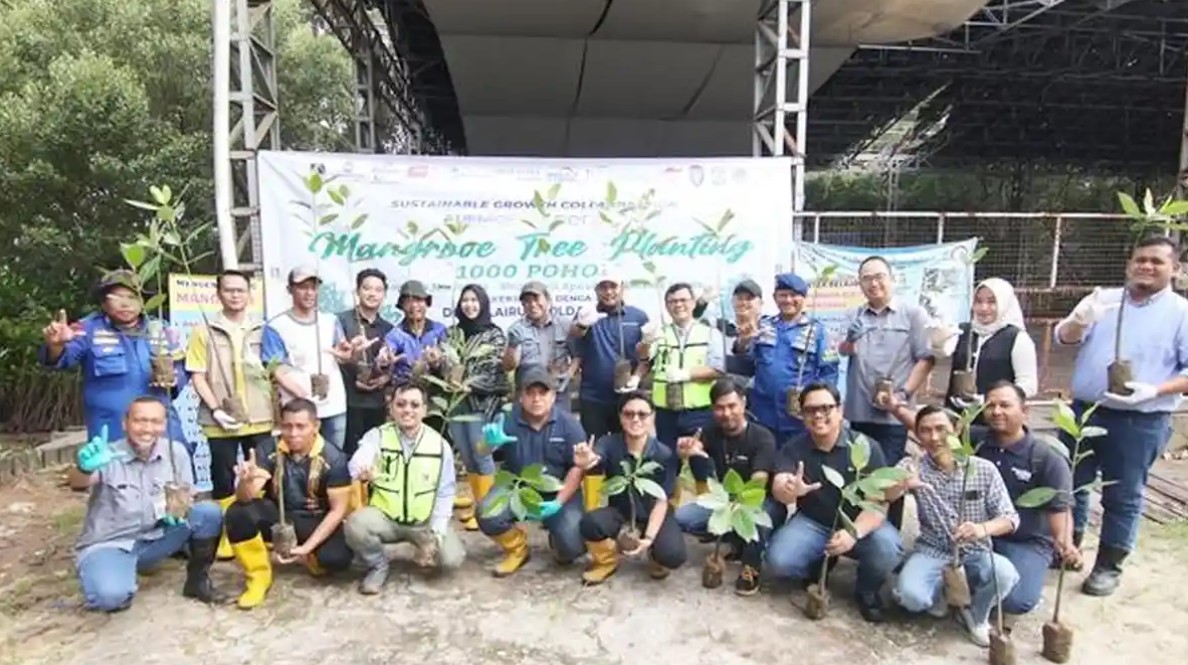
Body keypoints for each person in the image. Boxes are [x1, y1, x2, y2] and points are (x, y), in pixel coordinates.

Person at [1054, 235, 1188, 596]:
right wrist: (1080, 322)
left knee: (1123, 494)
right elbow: (1062, 338)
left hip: (1139, 421)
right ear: (1129, 264)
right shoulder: (1105, 301)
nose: (1146, 266)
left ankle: (1109, 564)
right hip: (1084, 413)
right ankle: (1069, 547)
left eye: (1156, 262)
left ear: (1174, 269)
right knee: (1070, 485)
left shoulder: (1181, 313)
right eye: (1140, 259)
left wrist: (1156, 390)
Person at [68, 396, 225, 611]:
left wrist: (179, 509)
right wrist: (84, 468)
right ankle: (113, 574)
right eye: (140, 421)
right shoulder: (108, 454)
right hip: (112, 543)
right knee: (111, 598)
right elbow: (78, 483)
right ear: (125, 423)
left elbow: (184, 496)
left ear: (164, 425)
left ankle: (197, 581)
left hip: (156, 537)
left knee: (208, 512)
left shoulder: (176, 451)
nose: (147, 429)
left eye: (155, 421)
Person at [765, 383, 902, 623]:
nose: (818, 415)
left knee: (888, 547)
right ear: (802, 415)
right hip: (814, 522)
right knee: (779, 561)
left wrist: (853, 533)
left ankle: (866, 590)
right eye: (810, 410)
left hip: (859, 524)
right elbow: (780, 487)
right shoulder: (794, 448)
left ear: (840, 411)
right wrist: (789, 490)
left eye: (826, 408)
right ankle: (816, 565)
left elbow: (878, 505)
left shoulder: (866, 447)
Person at [885, 404, 1020, 647]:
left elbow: (1010, 518)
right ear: (917, 434)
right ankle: (944, 595)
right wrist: (904, 484)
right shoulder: (911, 465)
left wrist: (981, 529)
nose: (934, 437)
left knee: (1005, 573)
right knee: (910, 597)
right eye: (925, 430)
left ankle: (976, 616)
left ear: (956, 429)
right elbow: (884, 495)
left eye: (941, 429)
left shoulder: (983, 469)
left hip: (976, 550)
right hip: (932, 548)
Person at [224, 398, 355, 609]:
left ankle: (309, 556)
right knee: (237, 512)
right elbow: (245, 498)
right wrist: (245, 483)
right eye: (287, 426)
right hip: (278, 516)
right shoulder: (269, 448)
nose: (293, 433)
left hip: (314, 518)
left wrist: (307, 548)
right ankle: (258, 576)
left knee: (337, 559)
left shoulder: (335, 458)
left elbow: (338, 510)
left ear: (316, 426)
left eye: (301, 426)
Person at [40, 270, 189, 448]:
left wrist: (173, 379)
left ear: (142, 301)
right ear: (104, 302)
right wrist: (56, 346)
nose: (125, 303)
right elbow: (62, 359)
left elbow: (181, 368)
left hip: (160, 429)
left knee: (173, 472)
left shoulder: (161, 328)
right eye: (117, 297)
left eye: (132, 297)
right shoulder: (87, 329)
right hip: (110, 431)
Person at [184, 269, 275, 560]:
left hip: (259, 416)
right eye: (229, 290)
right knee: (222, 476)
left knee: (260, 473)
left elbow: (275, 371)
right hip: (219, 420)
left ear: (250, 294)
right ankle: (227, 532)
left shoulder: (263, 329)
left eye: (241, 290)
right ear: (218, 293)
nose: (235, 295)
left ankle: (256, 528)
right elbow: (197, 375)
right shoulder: (204, 330)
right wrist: (216, 409)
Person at [973, 382, 1080, 621]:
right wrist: (896, 407)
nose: (997, 411)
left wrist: (1065, 543)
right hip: (979, 534)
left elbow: (1059, 508)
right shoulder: (974, 443)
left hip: (1025, 541)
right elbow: (930, 431)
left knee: (1017, 600)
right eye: (990, 405)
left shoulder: (1047, 458)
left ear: (1025, 411)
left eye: (1005, 405)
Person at [345, 383, 466, 594]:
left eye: (414, 405)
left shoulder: (439, 445)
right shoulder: (378, 436)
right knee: (355, 525)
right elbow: (358, 461)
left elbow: (445, 492)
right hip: (386, 519)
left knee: (451, 560)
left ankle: (424, 546)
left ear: (424, 410)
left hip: (423, 522)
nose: (407, 410)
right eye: (400, 404)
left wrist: (436, 532)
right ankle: (378, 565)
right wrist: (363, 467)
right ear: (391, 408)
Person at [673, 378, 781, 595]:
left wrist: (732, 510)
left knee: (756, 523)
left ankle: (751, 567)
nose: (727, 413)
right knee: (682, 517)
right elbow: (694, 447)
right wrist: (686, 451)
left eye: (732, 406)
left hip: (758, 501)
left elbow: (758, 484)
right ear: (713, 409)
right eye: (720, 408)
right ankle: (735, 541)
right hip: (726, 499)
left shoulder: (762, 437)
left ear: (743, 403)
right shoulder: (711, 432)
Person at [477, 367, 588, 577]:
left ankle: (558, 538)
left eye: (543, 393)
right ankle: (517, 548)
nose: (536, 399)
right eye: (530, 393)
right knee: (486, 512)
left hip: (558, 489)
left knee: (573, 546)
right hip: (516, 486)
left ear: (553, 396)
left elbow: (577, 467)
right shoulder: (508, 420)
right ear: (521, 397)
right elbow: (482, 451)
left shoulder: (569, 425)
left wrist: (559, 502)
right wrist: (488, 443)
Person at [574, 391, 687, 585]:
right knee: (590, 523)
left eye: (642, 414)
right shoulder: (609, 443)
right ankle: (606, 561)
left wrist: (649, 538)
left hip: (653, 513)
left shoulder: (663, 453)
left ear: (652, 417)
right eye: (629, 414)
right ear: (620, 417)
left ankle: (655, 556)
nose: (636, 419)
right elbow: (596, 458)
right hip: (621, 512)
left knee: (673, 555)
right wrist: (586, 461)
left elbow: (662, 501)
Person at [839, 255, 935, 466]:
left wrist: (903, 394)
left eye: (879, 277)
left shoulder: (913, 315)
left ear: (892, 279)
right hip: (859, 411)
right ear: (860, 284)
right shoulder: (854, 315)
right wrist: (849, 340)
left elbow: (926, 359)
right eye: (866, 278)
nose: (873, 283)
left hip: (894, 414)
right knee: (860, 472)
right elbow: (844, 351)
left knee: (888, 476)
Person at [437, 284, 511, 531]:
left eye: (474, 300)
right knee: (467, 456)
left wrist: (471, 384)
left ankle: (490, 509)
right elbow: (444, 366)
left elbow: (495, 370)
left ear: (483, 303)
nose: (469, 304)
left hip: (480, 405)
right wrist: (441, 365)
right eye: (465, 300)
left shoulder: (494, 334)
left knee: (482, 454)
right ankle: (479, 506)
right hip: (457, 405)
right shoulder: (451, 334)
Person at [737, 273, 839, 444]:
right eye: (783, 295)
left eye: (794, 295)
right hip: (763, 414)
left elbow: (829, 373)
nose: (788, 300)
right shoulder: (762, 326)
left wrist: (821, 406)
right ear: (775, 298)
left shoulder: (819, 331)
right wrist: (744, 341)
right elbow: (744, 361)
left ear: (804, 298)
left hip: (799, 417)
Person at [261, 266, 353, 450]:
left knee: (333, 460)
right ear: (290, 290)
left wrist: (346, 354)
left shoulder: (330, 320)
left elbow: (342, 355)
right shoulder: (277, 326)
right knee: (300, 461)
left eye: (313, 287)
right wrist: (302, 395)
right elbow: (274, 367)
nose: (309, 293)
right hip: (298, 410)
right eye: (302, 287)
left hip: (334, 404)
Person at [639, 282, 726, 447]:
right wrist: (645, 342)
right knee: (666, 463)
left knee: (702, 462)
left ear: (693, 302)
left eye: (683, 300)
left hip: (700, 411)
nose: (678, 305)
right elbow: (645, 359)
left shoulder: (710, 333)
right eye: (673, 301)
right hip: (666, 412)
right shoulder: (660, 333)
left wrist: (686, 374)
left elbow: (718, 370)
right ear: (666, 306)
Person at [938, 277, 1038, 411]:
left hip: (997, 417)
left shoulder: (1017, 338)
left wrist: (989, 399)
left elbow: (1029, 386)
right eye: (978, 301)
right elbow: (939, 351)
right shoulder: (962, 331)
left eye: (992, 302)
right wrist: (938, 336)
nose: (984, 308)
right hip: (958, 417)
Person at [571, 276, 650, 438]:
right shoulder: (586, 314)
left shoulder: (638, 317)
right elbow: (575, 334)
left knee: (628, 446)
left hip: (628, 398)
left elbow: (646, 358)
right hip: (593, 398)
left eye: (613, 287)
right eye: (603, 287)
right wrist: (582, 324)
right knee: (594, 447)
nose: (608, 292)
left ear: (622, 288)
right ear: (596, 291)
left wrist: (637, 377)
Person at [336, 268, 395, 457]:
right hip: (347, 401)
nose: (372, 294)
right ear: (357, 291)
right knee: (347, 456)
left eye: (378, 290)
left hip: (376, 403)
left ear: (384, 294)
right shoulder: (341, 321)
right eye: (367, 288)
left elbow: (395, 365)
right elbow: (333, 355)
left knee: (372, 456)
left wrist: (386, 377)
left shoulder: (388, 328)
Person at [503, 280, 579, 410]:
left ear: (548, 301)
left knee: (560, 429)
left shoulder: (564, 325)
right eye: (527, 301)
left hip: (558, 394)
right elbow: (508, 366)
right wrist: (512, 345)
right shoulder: (516, 329)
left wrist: (570, 373)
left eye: (536, 299)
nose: (532, 304)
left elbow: (578, 355)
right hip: (529, 395)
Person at [381, 279, 449, 383]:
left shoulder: (439, 330)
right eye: (408, 301)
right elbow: (387, 352)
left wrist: (437, 361)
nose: (414, 305)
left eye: (419, 300)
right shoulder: (395, 335)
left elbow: (450, 364)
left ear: (426, 303)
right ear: (402, 306)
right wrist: (385, 359)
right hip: (405, 390)